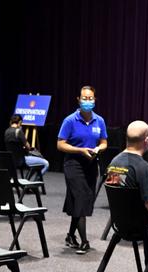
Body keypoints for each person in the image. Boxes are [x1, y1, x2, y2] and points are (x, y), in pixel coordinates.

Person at [56, 85, 107, 254]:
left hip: (91, 164)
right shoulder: (70, 120)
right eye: (84, 98)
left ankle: (70, 235)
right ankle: (84, 241)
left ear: (95, 100)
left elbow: (103, 142)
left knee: (83, 199)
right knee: (81, 198)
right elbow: (60, 144)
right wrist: (80, 150)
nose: (87, 101)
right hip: (73, 164)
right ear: (78, 100)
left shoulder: (99, 120)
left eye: (90, 98)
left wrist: (98, 149)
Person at [4, 114, 49, 179]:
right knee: (46, 163)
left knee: (36, 165)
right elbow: (28, 146)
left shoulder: (6, 131)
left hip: (11, 160)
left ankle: (27, 181)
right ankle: (34, 183)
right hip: (21, 160)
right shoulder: (18, 131)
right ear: (19, 122)